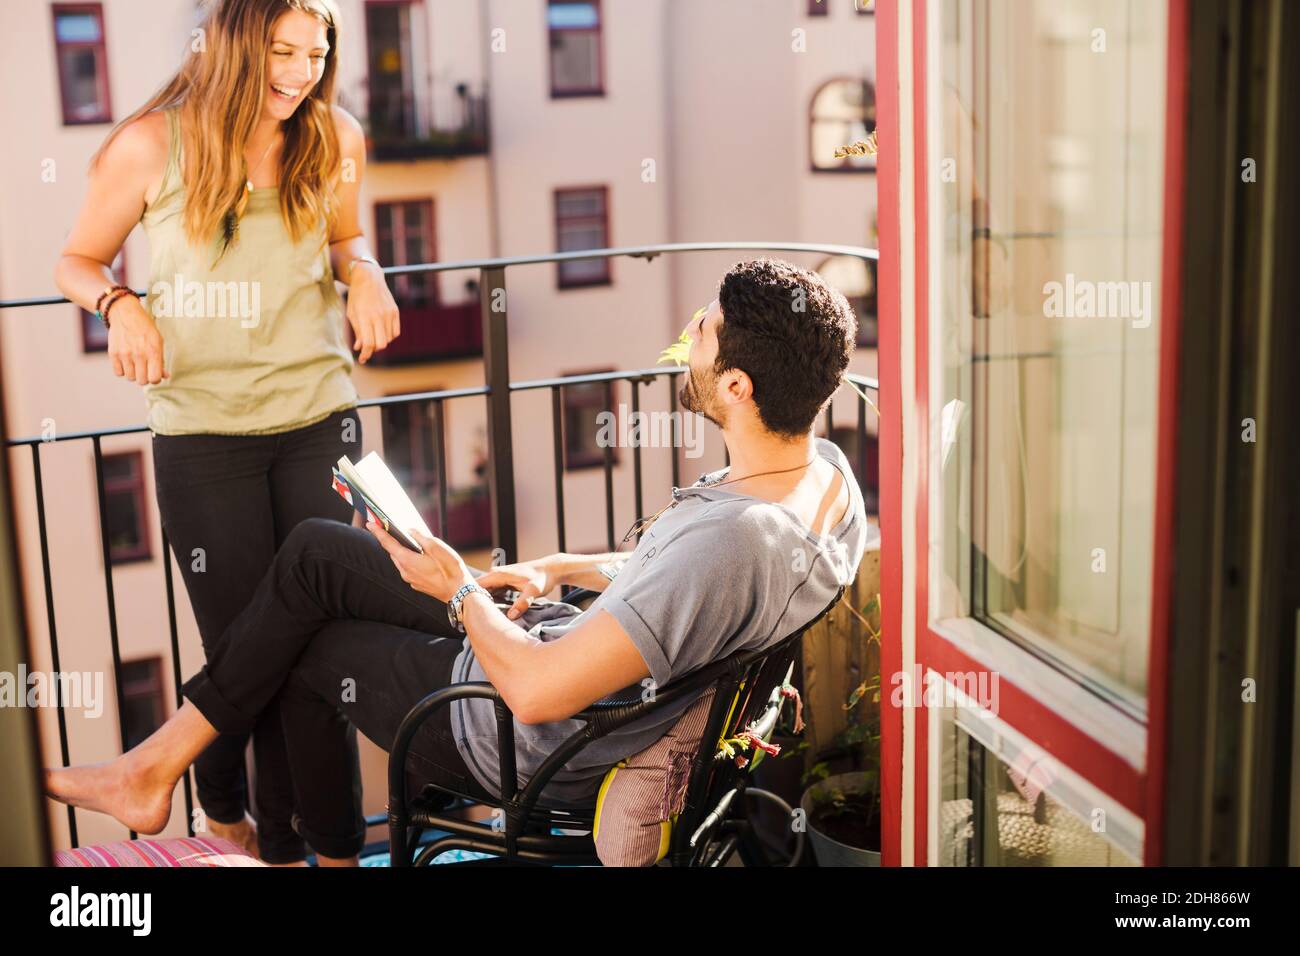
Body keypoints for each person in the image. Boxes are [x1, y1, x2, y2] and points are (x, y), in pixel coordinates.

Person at [45, 259, 872, 866]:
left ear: (734, 387)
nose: (689, 332)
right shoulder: (824, 481)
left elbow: (539, 690)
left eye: (707, 330)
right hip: (560, 648)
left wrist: (458, 588)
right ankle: (152, 770)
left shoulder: (731, 544)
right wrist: (558, 568)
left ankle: (311, 852)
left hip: (521, 731)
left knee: (305, 646)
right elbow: (685, 595)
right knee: (317, 553)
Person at [52, 0, 400, 864]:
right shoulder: (151, 144)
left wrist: (367, 272)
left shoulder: (334, 135)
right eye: (281, 51)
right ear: (237, 45)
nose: (299, 73)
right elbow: (76, 260)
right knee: (252, 649)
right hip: (205, 434)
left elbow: (348, 239)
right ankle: (259, 835)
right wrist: (118, 303)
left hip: (319, 416)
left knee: (316, 647)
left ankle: (326, 848)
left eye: (316, 54)